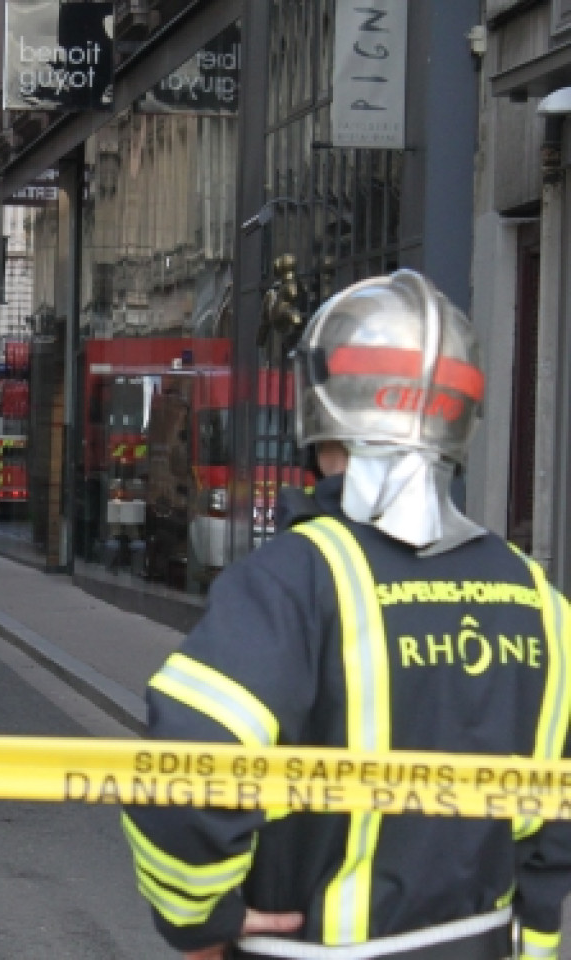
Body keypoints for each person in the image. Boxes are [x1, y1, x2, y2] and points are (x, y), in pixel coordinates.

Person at [121, 269, 571, 960]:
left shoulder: (292, 583)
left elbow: (180, 776)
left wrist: (200, 918)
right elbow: (552, 829)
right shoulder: (541, 603)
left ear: (322, 404)